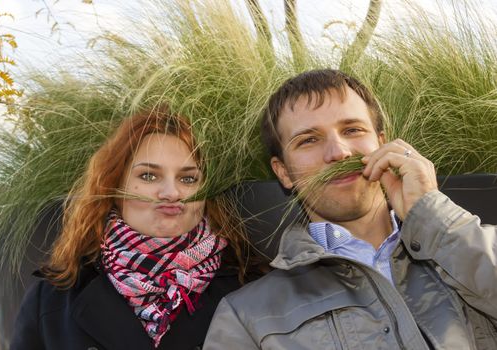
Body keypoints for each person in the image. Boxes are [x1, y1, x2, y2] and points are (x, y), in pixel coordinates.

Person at [204, 69, 497, 349]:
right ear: (283, 173)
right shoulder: (245, 316)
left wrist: (434, 217)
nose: (339, 152)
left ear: (383, 143)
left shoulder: (469, 244)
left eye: (353, 129)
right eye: (309, 140)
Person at [10, 108, 251, 350]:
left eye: (188, 179)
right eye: (148, 176)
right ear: (114, 186)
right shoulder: (51, 301)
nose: (171, 193)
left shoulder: (248, 289)